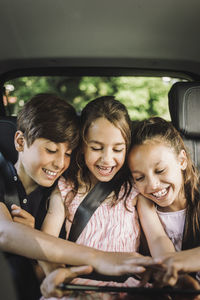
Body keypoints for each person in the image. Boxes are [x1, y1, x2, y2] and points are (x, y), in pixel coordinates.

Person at [0, 94, 157, 300]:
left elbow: (44, 269)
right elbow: (5, 232)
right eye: (51, 150)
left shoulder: (51, 189)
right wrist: (99, 259)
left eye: (67, 154)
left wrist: (37, 239)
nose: (59, 164)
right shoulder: (11, 177)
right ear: (20, 142)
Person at [128, 116, 200, 288]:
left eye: (160, 170)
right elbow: (158, 239)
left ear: (182, 161)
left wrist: (178, 262)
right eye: (140, 177)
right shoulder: (144, 203)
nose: (152, 185)